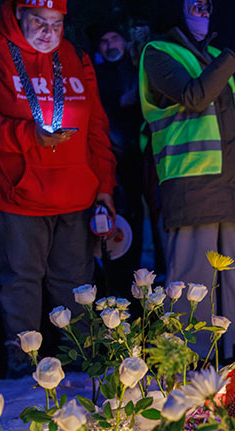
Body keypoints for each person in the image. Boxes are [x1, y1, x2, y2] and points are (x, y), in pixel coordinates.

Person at [0, 0, 117, 377]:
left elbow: (96, 129)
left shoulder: (75, 55)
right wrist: (27, 136)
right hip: (15, 197)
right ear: (18, 15)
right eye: (39, 22)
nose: (49, 33)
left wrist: (105, 188)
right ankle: (21, 375)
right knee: (20, 288)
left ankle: (80, 373)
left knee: (75, 289)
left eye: (57, 24)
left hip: (75, 198)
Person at [140, 0, 235, 357]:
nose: (204, 12)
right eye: (194, 5)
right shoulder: (157, 53)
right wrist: (233, 53)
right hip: (191, 184)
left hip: (233, 183)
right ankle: (188, 364)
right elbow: (195, 97)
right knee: (191, 282)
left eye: (207, 6)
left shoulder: (217, 54)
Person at [89, 23, 145, 298]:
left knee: (140, 218)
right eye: (104, 40)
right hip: (111, 159)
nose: (110, 44)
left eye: (114, 37)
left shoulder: (137, 69)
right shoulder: (98, 76)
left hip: (142, 159)